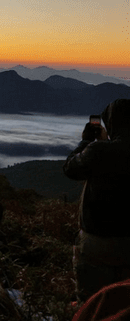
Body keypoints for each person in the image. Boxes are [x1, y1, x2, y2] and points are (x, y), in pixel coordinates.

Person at [64, 99, 130, 302]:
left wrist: (87, 141)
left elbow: (71, 168)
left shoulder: (100, 151)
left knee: (92, 304)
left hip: (97, 243)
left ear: (110, 123)